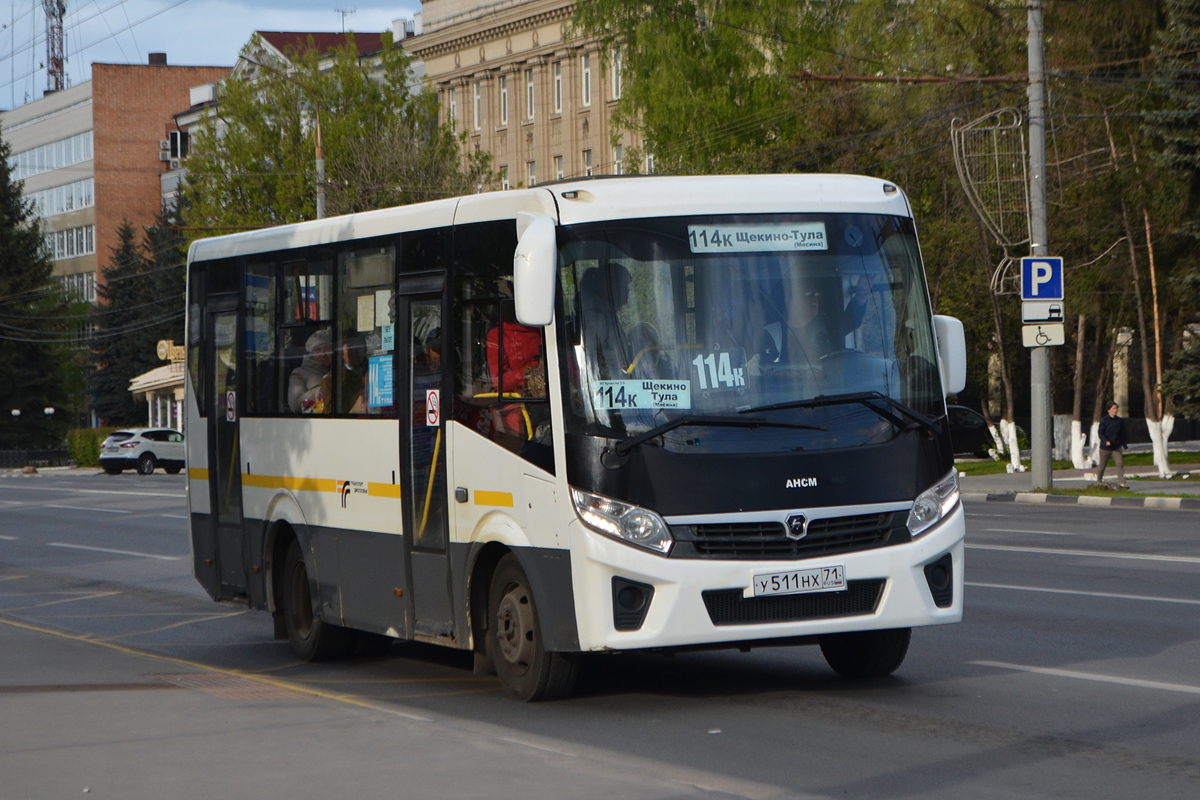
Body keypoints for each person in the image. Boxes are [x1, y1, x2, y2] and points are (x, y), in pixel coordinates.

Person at [288, 329, 332, 413]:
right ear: (311, 354)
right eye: (318, 350)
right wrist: (321, 391)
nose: (323, 353)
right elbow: (295, 404)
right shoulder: (299, 373)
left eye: (327, 348)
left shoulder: (341, 369)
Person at [1096, 400, 1129, 488]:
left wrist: (1124, 446)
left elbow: (1122, 434)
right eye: (1113, 408)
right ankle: (1099, 481)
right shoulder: (1104, 420)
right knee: (1102, 465)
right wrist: (1105, 441)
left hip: (1116, 447)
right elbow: (1100, 433)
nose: (1115, 410)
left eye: (1116, 408)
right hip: (1105, 448)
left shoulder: (1119, 421)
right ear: (1109, 410)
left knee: (1119, 463)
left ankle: (1122, 483)